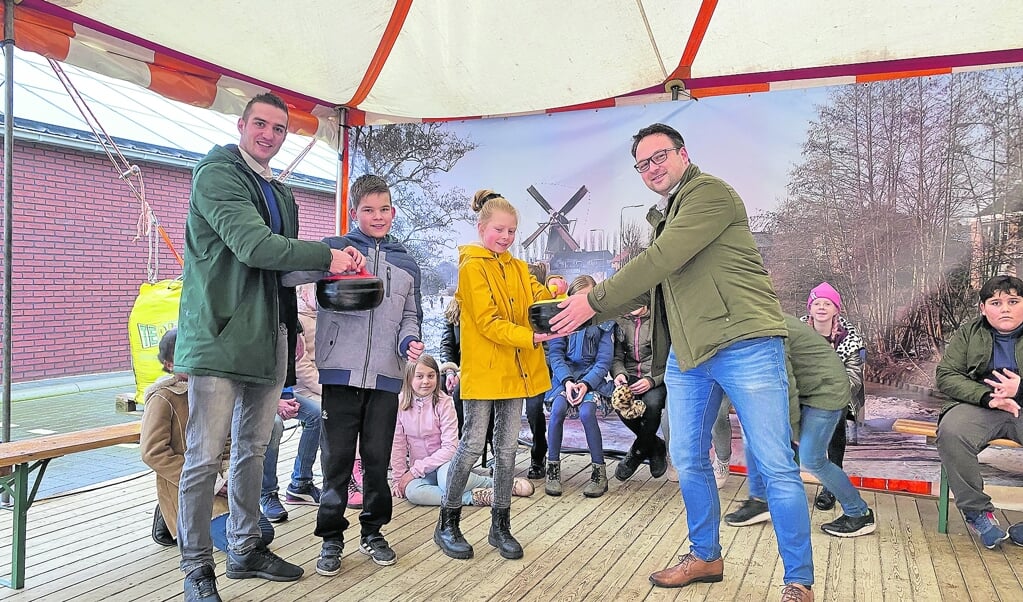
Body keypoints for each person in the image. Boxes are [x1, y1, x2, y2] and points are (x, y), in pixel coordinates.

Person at [549, 124, 813, 600]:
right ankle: (706, 556)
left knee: (774, 465)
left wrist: (594, 298)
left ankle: (798, 580)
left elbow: (662, 258)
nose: (652, 168)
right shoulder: (665, 215)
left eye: (660, 156)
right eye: (643, 164)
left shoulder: (710, 194)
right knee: (687, 459)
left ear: (683, 154)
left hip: (746, 343)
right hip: (690, 357)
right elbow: (651, 284)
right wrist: (581, 314)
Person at [174, 92, 364, 601]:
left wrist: (333, 265)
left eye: (279, 129)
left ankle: (244, 546)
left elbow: (281, 267)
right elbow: (253, 246)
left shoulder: (281, 193)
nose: (269, 135)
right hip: (218, 337)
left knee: (254, 450)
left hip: (268, 337)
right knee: (204, 454)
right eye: (261, 124)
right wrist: (327, 251)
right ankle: (196, 569)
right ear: (241, 124)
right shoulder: (217, 174)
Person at [282, 173, 423, 577]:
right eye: (368, 210)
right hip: (339, 377)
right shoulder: (334, 249)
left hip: (386, 378)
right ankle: (331, 537)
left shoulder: (406, 261)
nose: (377, 217)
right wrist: (329, 260)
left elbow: (411, 315)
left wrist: (409, 341)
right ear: (353, 212)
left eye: (383, 209)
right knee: (338, 460)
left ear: (392, 211)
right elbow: (288, 277)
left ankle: (374, 532)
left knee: (378, 462)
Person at [433, 189, 562, 561]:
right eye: (499, 230)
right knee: (472, 445)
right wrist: (532, 336)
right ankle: (448, 521)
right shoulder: (471, 267)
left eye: (511, 231)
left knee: (507, 450)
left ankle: (500, 525)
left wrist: (555, 298)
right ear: (481, 228)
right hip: (485, 372)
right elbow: (489, 323)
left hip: (516, 372)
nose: (505, 238)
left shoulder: (519, 267)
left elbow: (535, 297)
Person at [725, 315, 877, 538]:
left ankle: (859, 513)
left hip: (826, 389)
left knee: (811, 457)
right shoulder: (747, 321)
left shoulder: (764, 327)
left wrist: (793, 430)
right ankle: (761, 501)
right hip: (805, 387)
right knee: (752, 435)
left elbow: (785, 382)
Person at [141, 329, 276, 553]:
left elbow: (228, 442)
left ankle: (171, 519)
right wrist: (210, 482)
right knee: (244, 543)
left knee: (263, 533)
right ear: (169, 364)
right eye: (184, 358)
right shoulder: (164, 398)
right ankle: (173, 514)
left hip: (220, 483)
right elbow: (152, 452)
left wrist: (229, 477)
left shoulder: (211, 392)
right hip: (189, 485)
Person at [936, 274, 1023, 549]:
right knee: (952, 432)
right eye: (996, 303)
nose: (1005, 308)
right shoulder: (969, 332)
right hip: (982, 405)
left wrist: (1019, 389)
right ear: (983, 308)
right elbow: (947, 375)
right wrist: (987, 397)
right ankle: (978, 513)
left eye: (1013, 301)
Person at [391, 354, 534, 506]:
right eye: (419, 376)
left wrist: (414, 471)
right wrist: (398, 479)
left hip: (445, 464)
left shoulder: (444, 403)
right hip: (421, 471)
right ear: (408, 379)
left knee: (447, 480)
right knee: (413, 492)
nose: (426, 381)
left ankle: (497, 484)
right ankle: (473, 497)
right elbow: (398, 444)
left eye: (431, 376)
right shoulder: (400, 404)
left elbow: (450, 448)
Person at [544, 275, 615, 498]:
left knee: (587, 412)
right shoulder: (561, 323)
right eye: (578, 298)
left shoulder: (603, 324)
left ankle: (599, 473)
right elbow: (556, 355)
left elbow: (603, 362)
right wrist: (567, 381)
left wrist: (585, 384)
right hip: (565, 380)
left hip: (591, 381)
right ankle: (552, 468)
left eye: (588, 298)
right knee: (557, 410)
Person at [800, 282, 866, 511]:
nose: (821, 308)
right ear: (810, 307)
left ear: (836, 309)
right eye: (817, 303)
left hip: (837, 397)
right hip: (802, 394)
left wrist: (830, 394)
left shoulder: (849, 339)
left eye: (827, 303)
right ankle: (789, 486)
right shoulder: (798, 332)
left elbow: (854, 377)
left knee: (835, 424)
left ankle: (831, 488)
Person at [610, 304, 668, 483]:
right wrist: (619, 374)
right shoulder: (620, 321)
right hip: (630, 375)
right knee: (621, 404)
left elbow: (668, 359)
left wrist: (651, 380)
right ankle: (655, 446)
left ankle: (636, 453)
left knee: (652, 405)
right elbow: (617, 358)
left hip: (655, 376)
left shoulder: (660, 320)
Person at [259, 384, 322, 523]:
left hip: (275, 393)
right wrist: (273, 402)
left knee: (317, 415)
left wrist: (285, 396)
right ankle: (267, 493)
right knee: (274, 425)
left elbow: (285, 373)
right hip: (251, 396)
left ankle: (300, 484)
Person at [524, 262, 552, 480]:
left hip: (537, 365)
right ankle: (499, 457)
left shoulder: (543, 302)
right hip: (515, 365)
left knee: (534, 411)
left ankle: (537, 456)